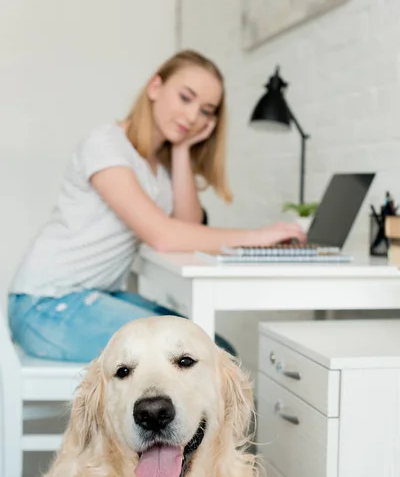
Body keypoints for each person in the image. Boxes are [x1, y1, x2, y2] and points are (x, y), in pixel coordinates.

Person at [8, 49, 305, 362]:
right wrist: (256, 237)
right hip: (44, 304)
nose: (192, 117)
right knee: (205, 358)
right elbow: (163, 235)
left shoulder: (160, 172)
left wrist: (182, 150)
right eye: (185, 98)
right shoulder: (105, 145)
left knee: (218, 351)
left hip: (92, 297)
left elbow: (187, 230)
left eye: (206, 111)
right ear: (155, 87)